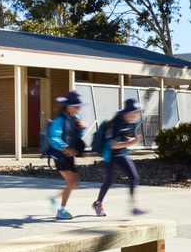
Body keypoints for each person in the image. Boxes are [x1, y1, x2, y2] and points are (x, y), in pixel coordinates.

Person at [92, 98, 147, 217]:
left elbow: (125, 137)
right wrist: (132, 142)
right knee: (110, 180)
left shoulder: (131, 123)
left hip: (122, 153)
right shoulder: (116, 124)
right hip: (110, 154)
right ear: (126, 113)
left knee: (133, 176)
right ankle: (97, 203)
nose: (135, 117)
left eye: (137, 114)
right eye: (133, 114)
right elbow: (113, 145)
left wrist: (131, 139)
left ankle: (134, 207)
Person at [47, 90, 87, 220]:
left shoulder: (76, 117)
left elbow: (77, 135)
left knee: (74, 183)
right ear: (68, 105)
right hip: (60, 155)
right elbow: (54, 137)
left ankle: (54, 198)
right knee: (71, 182)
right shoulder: (60, 119)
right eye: (76, 106)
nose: (78, 108)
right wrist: (64, 148)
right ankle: (61, 210)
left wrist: (82, 127)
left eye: (79, 106)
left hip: (69, 155)